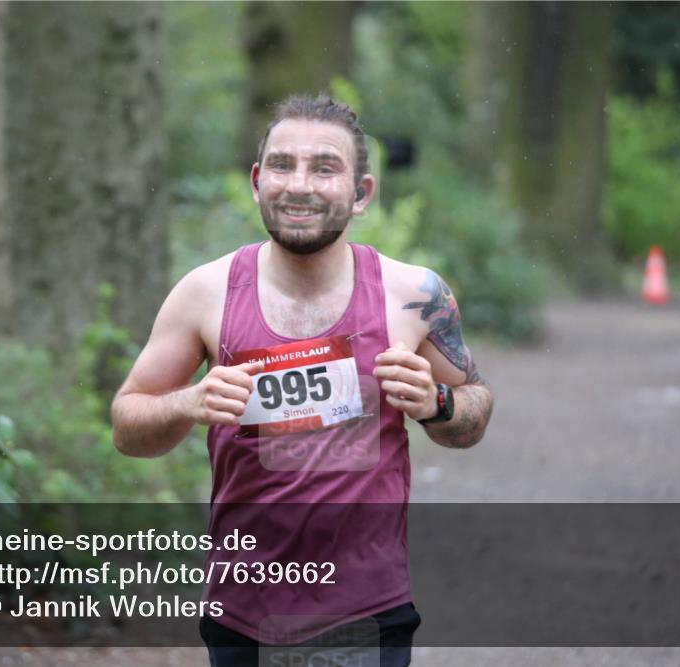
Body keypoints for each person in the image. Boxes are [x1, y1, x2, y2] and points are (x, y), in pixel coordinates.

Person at [111, 93, 494, 666]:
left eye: (324, 168)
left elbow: (475, 411)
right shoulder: (205, 294)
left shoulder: (414, 295)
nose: (299, 185)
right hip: (243, 609)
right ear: (257, 181)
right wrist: (188, 403)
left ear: (361, 193)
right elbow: (127, 426)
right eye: (283, 165)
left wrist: (436, 402)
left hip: (367, 609)